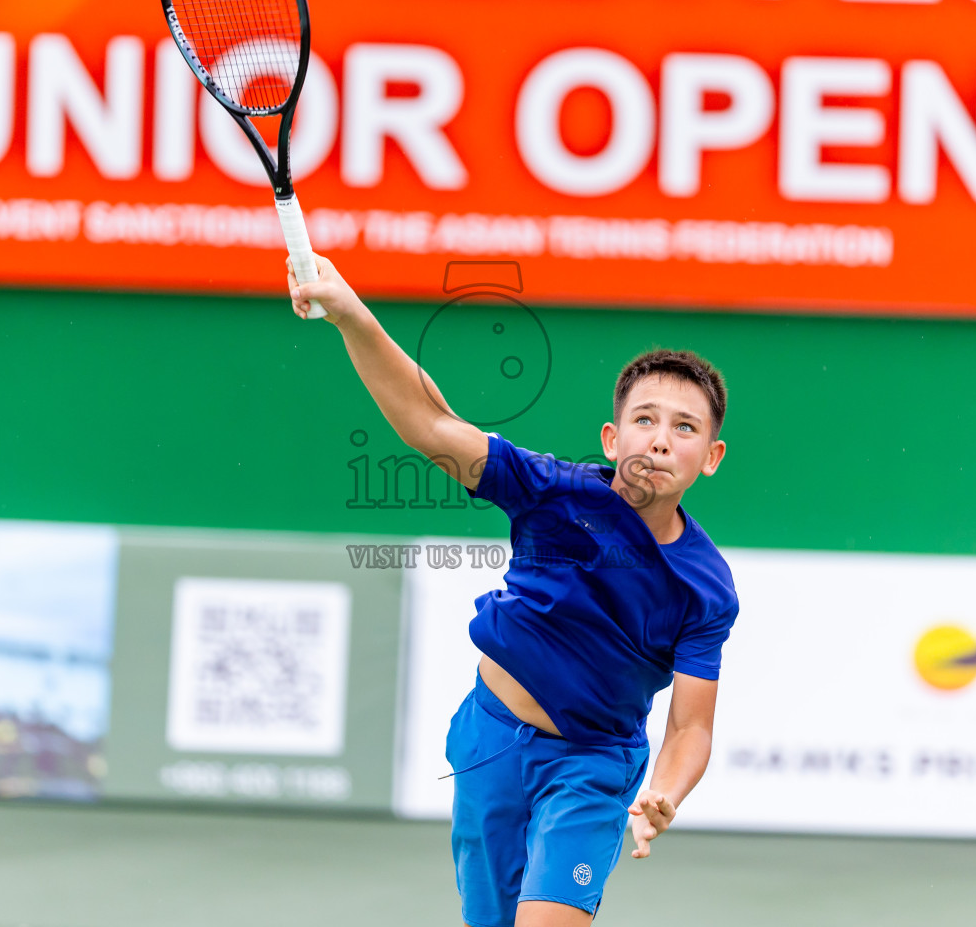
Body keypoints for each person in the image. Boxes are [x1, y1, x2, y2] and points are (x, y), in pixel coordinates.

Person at [287, 256, 737, 927]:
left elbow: (691, 725)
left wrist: (665, 792)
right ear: (612, 439)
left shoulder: (705, 588)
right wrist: (351, 315)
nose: (661, 439)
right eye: (645, 419)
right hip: (490, 741)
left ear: (711, 457)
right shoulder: (551, 493)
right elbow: (431, 422)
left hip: (590, 767)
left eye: (685, 427)